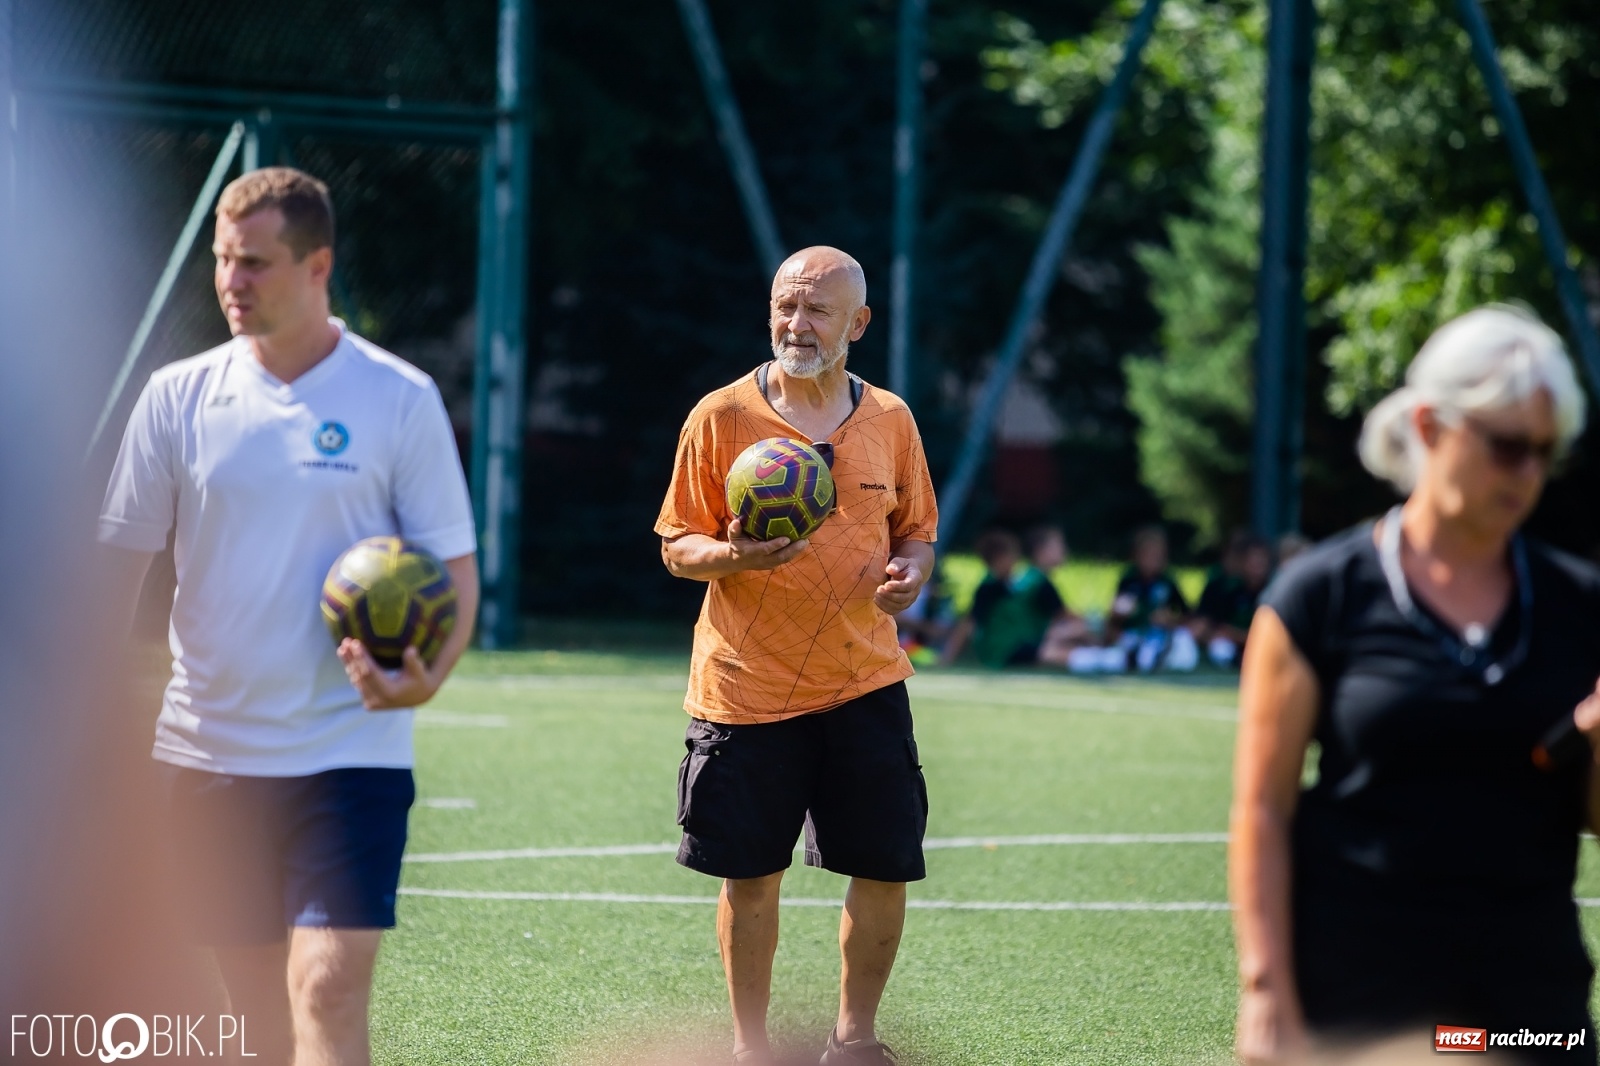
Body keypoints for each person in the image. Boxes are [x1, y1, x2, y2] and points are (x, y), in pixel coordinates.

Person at [99, 168, 479, 1066]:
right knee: (259, 1021)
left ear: (319, 265)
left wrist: (430, 674)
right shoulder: (177, 396)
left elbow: (454, 569)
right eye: (224, 261)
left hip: (350, 750)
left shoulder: (399, 398)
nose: (233, 281)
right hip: (206, 753)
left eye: (255, 263)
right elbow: (112, 572)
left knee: (328, 984)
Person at [1230, 305, 1600, 1064]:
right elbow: (1262, 807)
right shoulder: (1319, 596)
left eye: (1543, 452)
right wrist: (1266, 987)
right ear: (1430, 427)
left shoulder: (1579, 605)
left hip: (1531, 1000)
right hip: (1362, 992)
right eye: (1505, 447)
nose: (1527, 475)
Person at [656, 246, 937, 1066]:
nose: (796, 323)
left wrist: (908, 575)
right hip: (747, 689)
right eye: (785, 305)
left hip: (865, 680)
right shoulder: (721, 417)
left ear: (858, 323)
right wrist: (737, 557)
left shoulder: (890, 418)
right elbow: (678, 545)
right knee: (750, 879)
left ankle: (854, 1040)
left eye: (817, 310)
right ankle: (751, 1049)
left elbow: (916, 531)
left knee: (885, 866)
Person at [1107, 525, 1198, 672]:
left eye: (1157, 555)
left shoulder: (1167, 581)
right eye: (1148, 554)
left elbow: (1186, 615)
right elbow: (1114, 615)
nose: (1153, 560)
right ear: (1137, 555)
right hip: (1133, 634)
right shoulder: (1129, 580)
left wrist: (1168, 619)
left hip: (1160, 635)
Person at [1194, 531, 1273, 667]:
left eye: (1260, 560)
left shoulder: (1273, 591)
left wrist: (1239, 635)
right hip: (1235, 650)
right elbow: (1216, 628)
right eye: (1252, 560)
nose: (1257, 566)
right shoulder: (1231, 591)